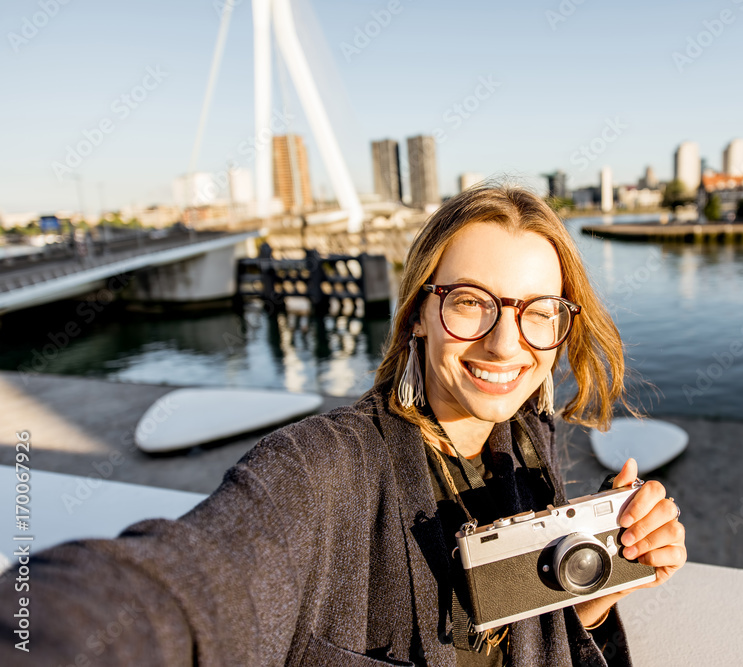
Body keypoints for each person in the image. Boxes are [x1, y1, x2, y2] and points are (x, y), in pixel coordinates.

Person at [0, 185, 685, 666]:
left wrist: (590, 592)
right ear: (418, 311)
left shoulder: (529, 453)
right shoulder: (322, 471)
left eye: (538, 310)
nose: (507, 344)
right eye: (472, 302)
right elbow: (190, 588)